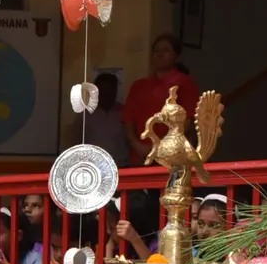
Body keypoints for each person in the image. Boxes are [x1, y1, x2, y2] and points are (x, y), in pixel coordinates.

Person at [123, 34, 200, 165]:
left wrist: (161, 146)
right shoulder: (139, 86)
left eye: (166, 50)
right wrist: (136, 145)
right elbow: (127, 120)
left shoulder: (184, 82)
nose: (160, 54)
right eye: (156, 51)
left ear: (177, 56)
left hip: (173, 155)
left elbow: (187, 120)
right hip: (141, 155)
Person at [85, 71, 130, 167]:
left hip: (120, 166)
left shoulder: (125, 112)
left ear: (115, 90)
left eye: (109, 89)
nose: (106, 93)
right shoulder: (86, 114)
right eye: (102, 89)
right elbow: (76, 142)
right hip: (93, 167)